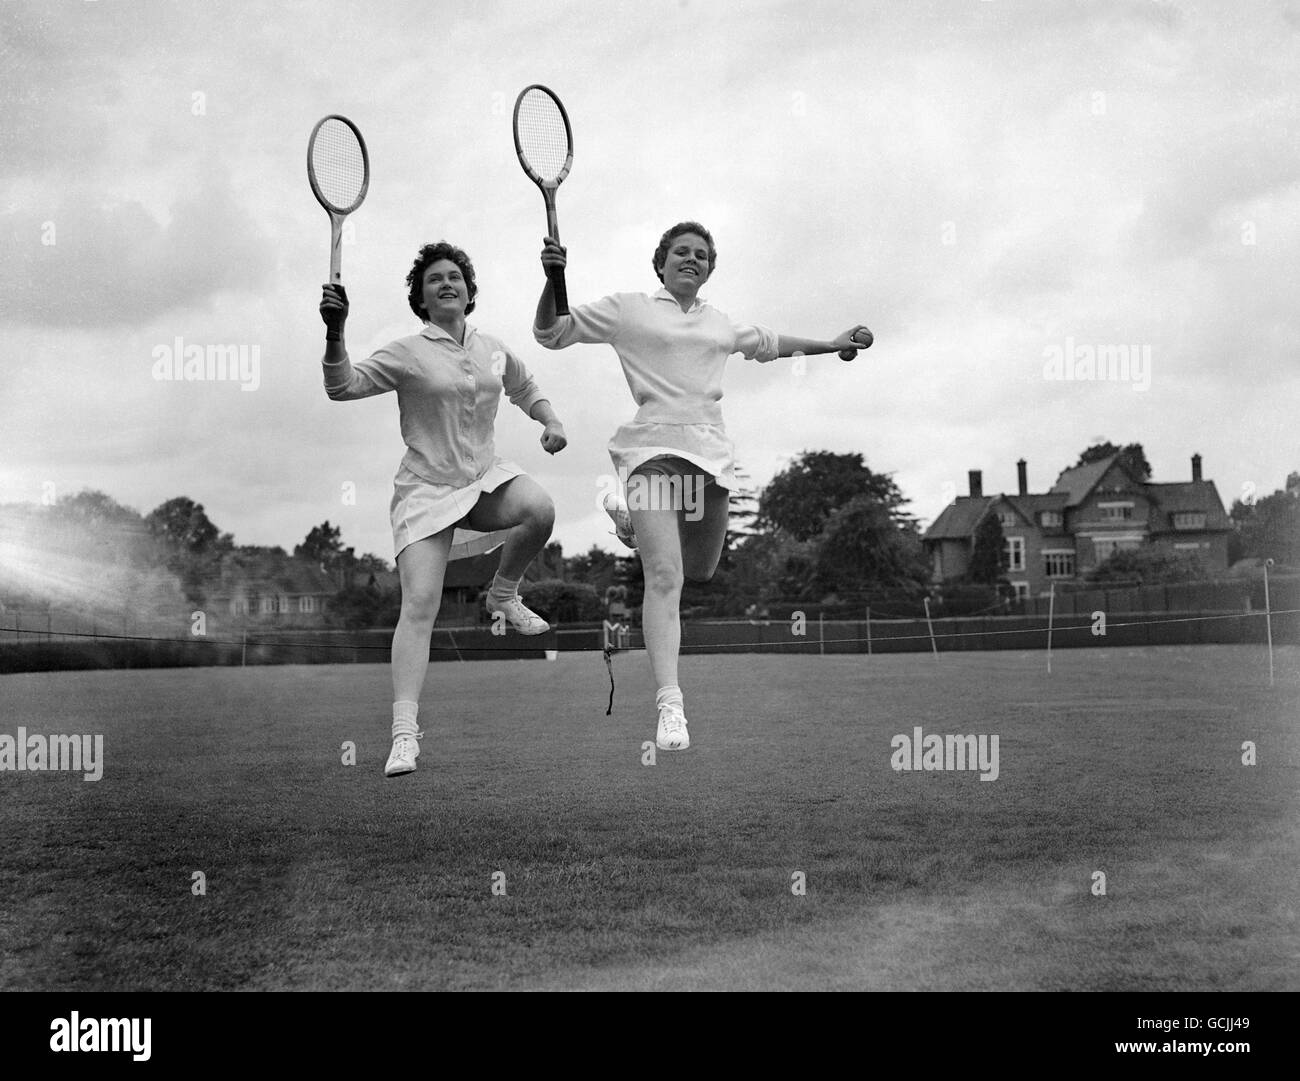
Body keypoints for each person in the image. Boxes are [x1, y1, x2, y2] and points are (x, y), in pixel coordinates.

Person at [533, 222, 870, 751]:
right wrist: (554, 278)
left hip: (709, 459)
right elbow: (552, 333)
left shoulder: (720, 324)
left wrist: (832, 345)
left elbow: (774, 343)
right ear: (660, 262)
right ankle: (670, 705)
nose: (692, 259)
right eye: (681, 252)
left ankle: (633, 527)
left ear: (710, 268)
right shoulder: (629, 310)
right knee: (664, 577)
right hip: (651, 453)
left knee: (701, 570)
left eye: (702, 255)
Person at [320, 241, 567, 777]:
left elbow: (525, 387)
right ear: (422, 298)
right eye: (434, 280)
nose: (446, 284)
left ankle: (502, 595)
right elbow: (341, 387)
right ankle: (404, 735)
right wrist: (334, 333)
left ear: (469, 291)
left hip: (483, 480)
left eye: (455, 276)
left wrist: (550, 421)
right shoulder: (406, 352)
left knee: (540, 510)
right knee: (421, 606)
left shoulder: (493, 348)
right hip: (426, 491)